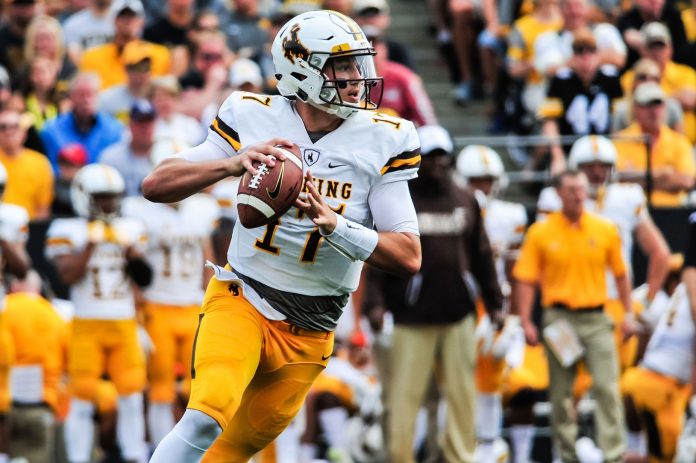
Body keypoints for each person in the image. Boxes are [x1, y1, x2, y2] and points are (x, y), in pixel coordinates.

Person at [143, 10, 421, 461]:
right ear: (302, 68)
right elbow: (155, 184)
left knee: (228, 453)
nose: (357, 77)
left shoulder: (385, 138)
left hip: (313, 328)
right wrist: (233, 163)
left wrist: (338, 225)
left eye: (358, 64)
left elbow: (409, 255)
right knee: (204, 416)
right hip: (244, 298)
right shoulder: (251, 114)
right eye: (343, 65)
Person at [365, 125, 502, 462]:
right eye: (430, 157)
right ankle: (400, 457)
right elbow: (378, 254)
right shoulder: (400, 200)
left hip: (459, 316)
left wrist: (496, 303)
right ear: (417, 160)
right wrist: (375, 304)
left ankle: (460, 457)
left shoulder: (466, 200)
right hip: (412, 317)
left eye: (442, 157)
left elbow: (482, 256)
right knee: (404, 395)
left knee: (461, 395)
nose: (437, 164)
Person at [513, 169, 635, 462]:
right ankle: (566, 455)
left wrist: (629, 312)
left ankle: (614, 455)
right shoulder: (541, 231)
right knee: (562, 394)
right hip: (560, 318)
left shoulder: (604, 228)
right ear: (558, 193)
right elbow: (525, 278)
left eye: (581, 189)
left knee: (607, 388)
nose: (578, 195)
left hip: (596, 318)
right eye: (571, 190)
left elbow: (621, 274)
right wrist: (526, 320)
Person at [45, 164, 152, 463]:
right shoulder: (69, 231)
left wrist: (129, 252)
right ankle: (79, 458)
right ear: (84, 196)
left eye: (113, 197)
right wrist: (91, 245)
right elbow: (66, 276)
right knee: (82, 398)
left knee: (131, 396)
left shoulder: (129, 228)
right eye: (102, 197)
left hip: (123, 324)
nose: (109, 204)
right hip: (87, 325)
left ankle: (134, 456)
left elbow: (145, 278)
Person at [537, 135, 670, 371]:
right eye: (589, 166)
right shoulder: (554, 199)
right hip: (566, 305)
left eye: (602, 166)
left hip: (614, 303)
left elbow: (661, 252)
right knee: (570, 384)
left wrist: (645, 302)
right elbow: (539, 259)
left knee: (614, 379)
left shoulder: (626, 197)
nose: (597, 173)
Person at [122, 186, 220, 447]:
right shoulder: (141, 212)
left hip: (191, 305)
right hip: (157, 305)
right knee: (160, 390)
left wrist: (209, 296)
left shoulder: (200, 209)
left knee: (198, 389)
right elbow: (134, 266)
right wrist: (136, 307)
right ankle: (160, 452)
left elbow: (207, 256)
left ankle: (195, 451)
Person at [455, 144, 528, 463]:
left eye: (487, 180)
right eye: (476, 180)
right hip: (459, 303)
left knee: (491, 375)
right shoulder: (455, 210)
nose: (483, 187)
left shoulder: (510, 216)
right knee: (453, 377)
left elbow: (515, 272)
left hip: (492, 304)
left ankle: (488, 443)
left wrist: (510, 316)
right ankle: (457, 440)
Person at [4, 271, 69, 463]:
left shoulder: (5, 309)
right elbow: (70, 365)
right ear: (38, 289)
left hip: (4, 408)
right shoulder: (55, 315)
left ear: (14, 286)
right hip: (41, 407)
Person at [538, 29, 623, 174]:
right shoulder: (561, 80)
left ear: (598, 54)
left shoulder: (610, 78)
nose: (585, 57)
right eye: (579, 52)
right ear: (572, 56)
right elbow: (549, 121)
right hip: (570, 150)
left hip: (605, 149)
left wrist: (617, 150)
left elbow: (619, 119)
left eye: (591, 51)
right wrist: (557, 156)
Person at [613, 82, 695, 207]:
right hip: (632, 208)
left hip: (673, 210)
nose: (654, 111)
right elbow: (617, 179)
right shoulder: (620, 140)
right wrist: (664, 174)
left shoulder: (679, 141)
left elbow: (687, 181)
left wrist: (636, 177)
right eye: (647, 105)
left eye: (658, 105)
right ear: (635, 108)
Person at [41, 73, 123, 174]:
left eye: (91, 94)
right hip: (63, 186)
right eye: (81, 95)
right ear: (70, 97)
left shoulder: (114, 130)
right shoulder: (51, 130)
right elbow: (47, 168)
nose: (86, 100)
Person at [0, 108, 55, 220]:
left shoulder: (40, 163)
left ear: (24, 132)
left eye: (14, 126)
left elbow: (43, 208)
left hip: (29, 228)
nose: (8, 132)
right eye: (3, 127)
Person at [100, 100, 158, 196]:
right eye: (140, 122)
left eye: (148, 122)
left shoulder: (166, 154)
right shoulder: (111, 157)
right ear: (130, 125)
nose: (145, 128)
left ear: (155, 124)